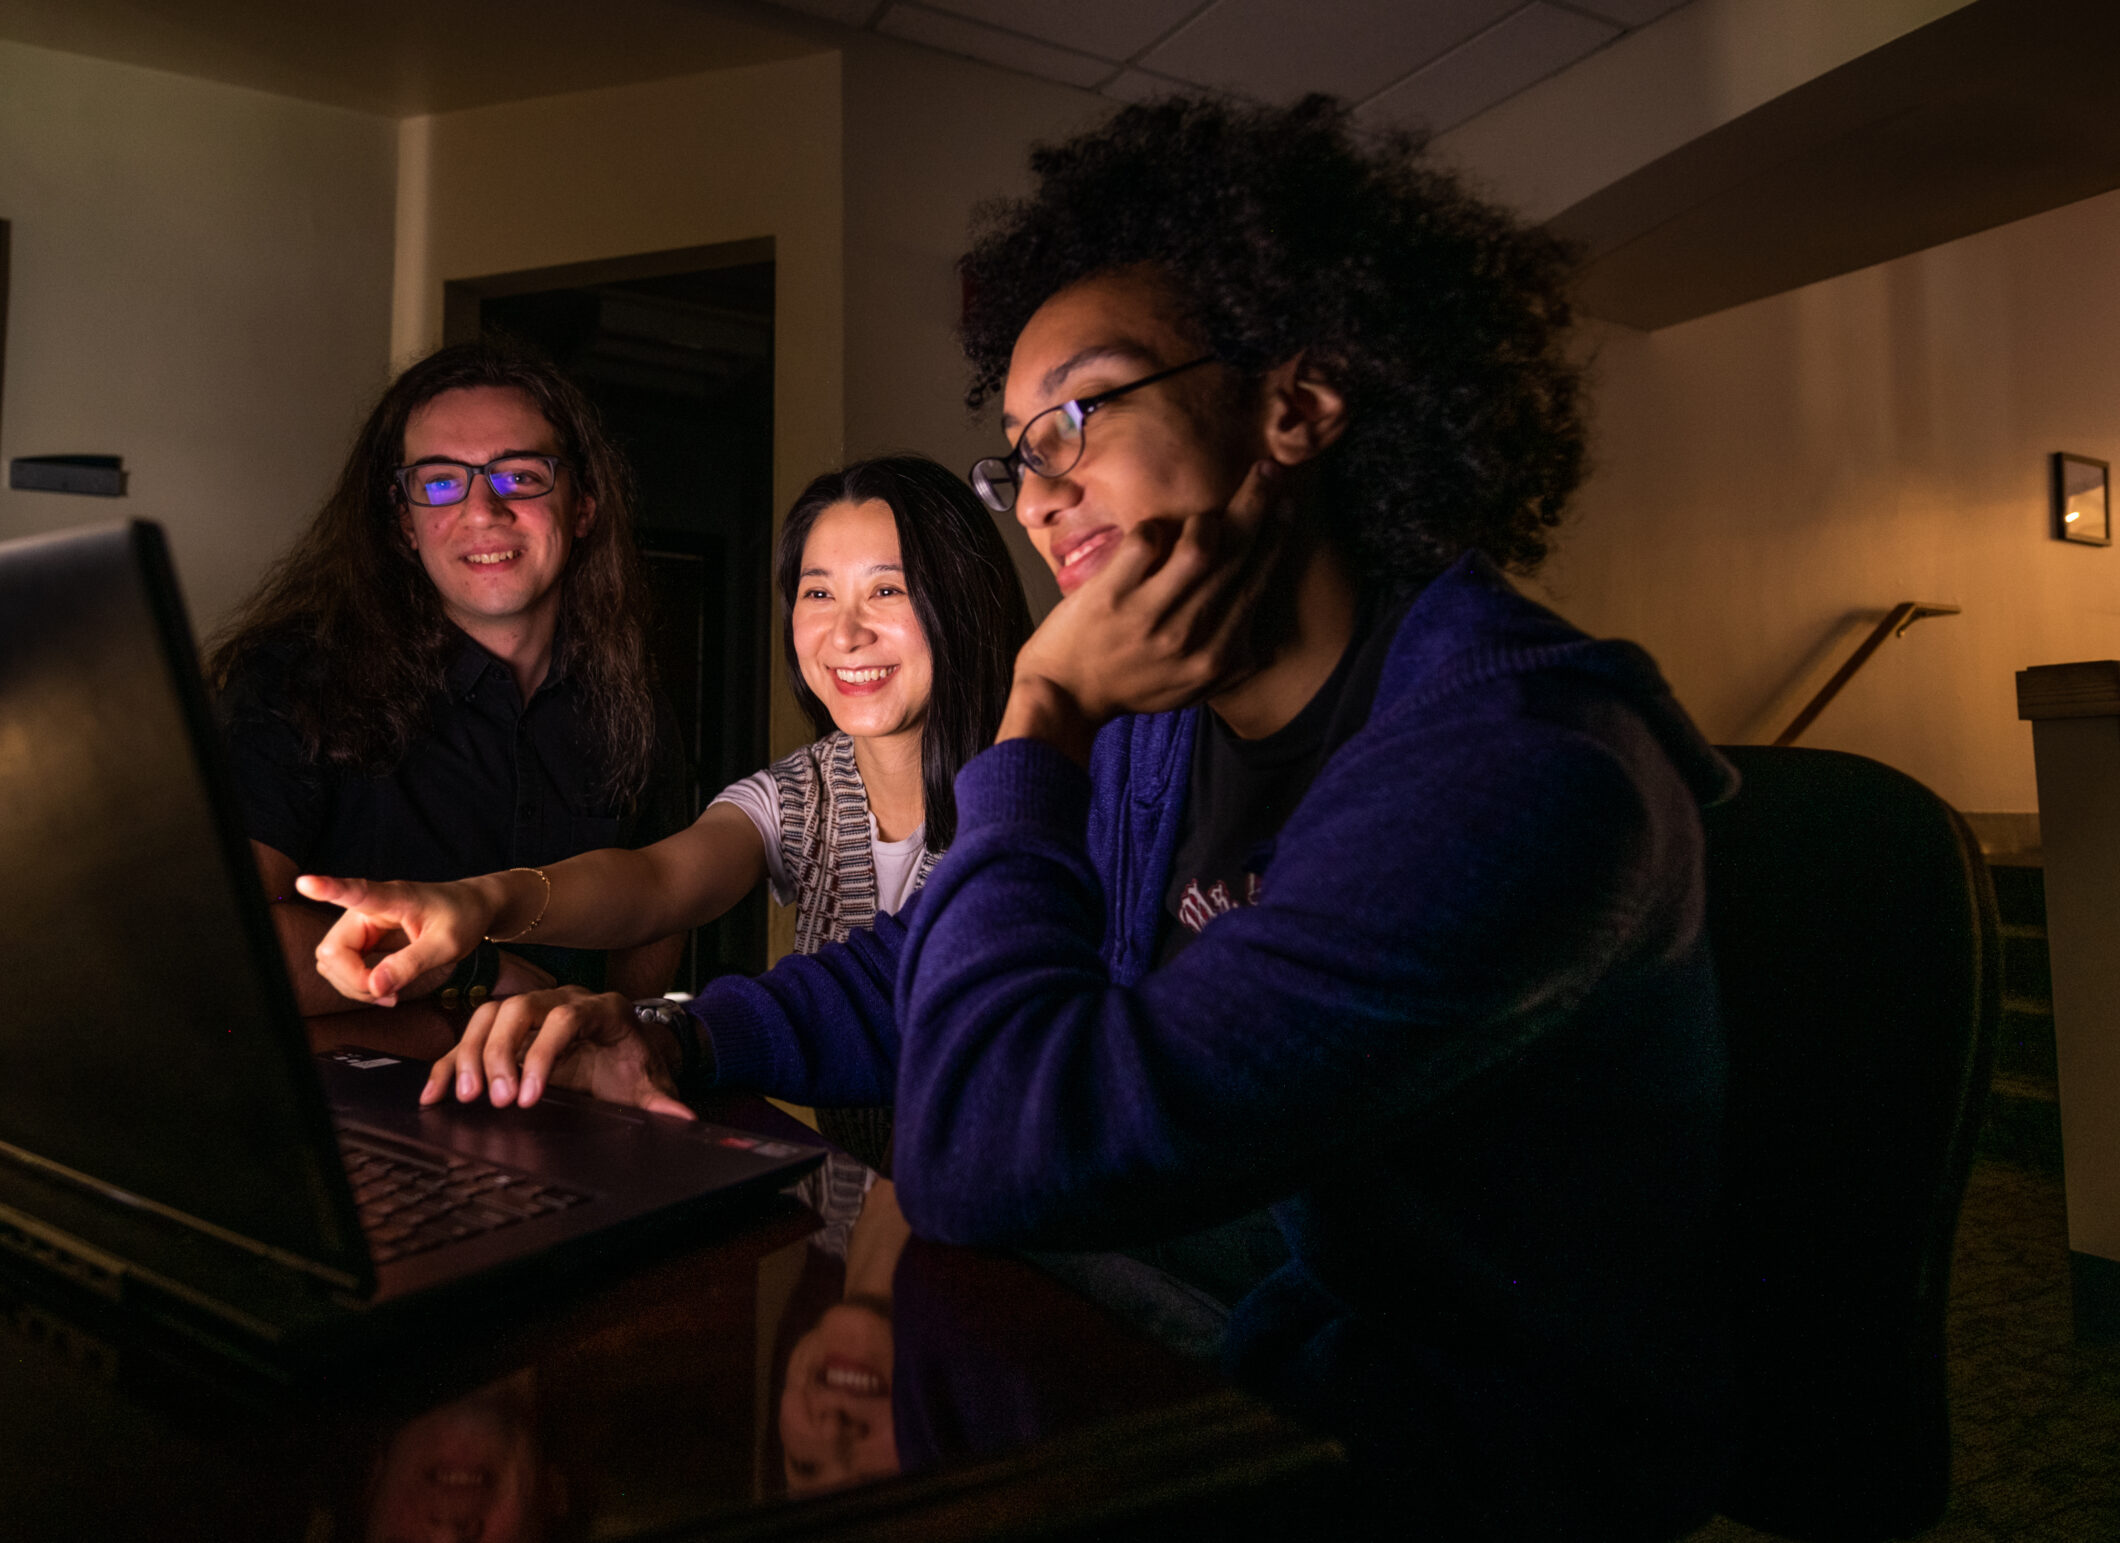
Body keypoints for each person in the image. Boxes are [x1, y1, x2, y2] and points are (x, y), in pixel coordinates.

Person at [399, 97, 1734, 1538]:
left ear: (1297, 402)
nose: (1040, 497)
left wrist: (1038, 717)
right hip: (1173, 1344)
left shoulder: (1519, 766)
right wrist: (677, 1030)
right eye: (1019, 452)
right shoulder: (1173, 725)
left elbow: (985, 1156)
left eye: (1078, 418)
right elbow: (920, 973)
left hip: (1421, 1464)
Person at [297, 455, 1034, 1167]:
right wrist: (479, 901)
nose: (844, 634)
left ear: (961, 599)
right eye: (817, 594)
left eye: (887, 590)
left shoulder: (1041, 782)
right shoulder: (804, 790)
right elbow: (657, 881)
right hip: (868, 1219)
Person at [208, 340, 688, 1019]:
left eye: (520, 476)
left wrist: (587, 1037)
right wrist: (474, 970)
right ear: (405, 522)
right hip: (361, 1115)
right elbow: (218, 938)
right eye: (440, 482)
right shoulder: (291, 681)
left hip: (568, 1108)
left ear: (583, 505)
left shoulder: (632, 702)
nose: (482, 509)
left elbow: (659, 917)